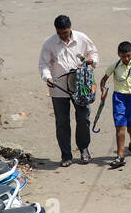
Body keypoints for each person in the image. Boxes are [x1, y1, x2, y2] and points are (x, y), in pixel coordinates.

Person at [39, 15, 99, 167]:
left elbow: (93, 53)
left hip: (80, 86)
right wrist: (48, 78)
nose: (64, 36)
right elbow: (43, 64)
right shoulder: (49, 43)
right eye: (61, 33)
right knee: (62, 122)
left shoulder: (82, 38)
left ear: (70, 28)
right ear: (56, 31)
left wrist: (91, 61)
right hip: (58, 88)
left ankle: (84, 149)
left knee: (83, 117)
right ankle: (66, 155)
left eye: (66, 33)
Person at [101, 41, 131, 169]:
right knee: (120, 127)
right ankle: (120, 156)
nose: (126, 59)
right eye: (123, 56)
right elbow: (103, 80)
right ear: (119, 54)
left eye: (128, 56)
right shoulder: (114, 65)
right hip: (119, 99)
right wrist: (103, 90)